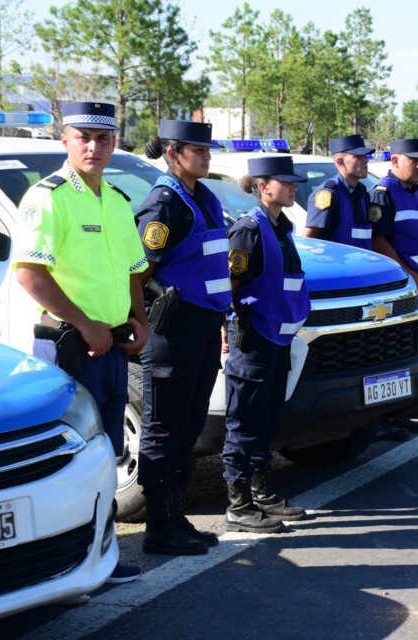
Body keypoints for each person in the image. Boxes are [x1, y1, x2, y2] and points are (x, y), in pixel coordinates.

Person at [14, 101, 148, 584]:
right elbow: (30, 274)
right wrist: (86, 322)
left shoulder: (114, 199)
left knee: (106, 454)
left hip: (110, 346)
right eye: (83, 137)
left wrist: (139, 317)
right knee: (65, 457)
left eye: (103, 138)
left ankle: (101, 555)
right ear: (64, 140)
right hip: (70, 344)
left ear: (114, 142)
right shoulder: (48, 197)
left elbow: (134, 269)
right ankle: (54, 564)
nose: (94, 147)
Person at [133, 119, 229, 556]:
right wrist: (141, 319)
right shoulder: (164, 204)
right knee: (163, 430)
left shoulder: (203, 197)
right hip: (173, 331)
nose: (207, 157)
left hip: (204, 327)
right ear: (173, 154)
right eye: (198, 150)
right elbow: (138, 272)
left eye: (208, 150)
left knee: (189, 426)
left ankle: (175, 515)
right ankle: (158, 526)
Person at [223, 155, 311, 533]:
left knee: (267, 419)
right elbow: (230, 284)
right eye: (286, 182)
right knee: (245, 420)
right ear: (263, 187)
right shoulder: (250, 229)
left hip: (278, 337)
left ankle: (262, 493)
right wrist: (224, 330)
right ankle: (238, 504)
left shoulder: (282, 227)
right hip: (255, 338)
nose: (294, 187)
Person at [370, 138, 418, 314]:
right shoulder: (383, 194)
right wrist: (411, 276)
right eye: (414, 161)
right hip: (402, 286)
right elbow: (378, 242)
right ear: (395, 161)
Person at [303, 134, 375, 249]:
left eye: (365, 156)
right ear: (340, 162)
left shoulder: (362, 192)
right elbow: (309, 241)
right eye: (358, 156)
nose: (366, 160)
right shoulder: (330, 193)